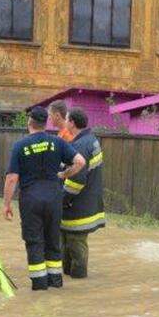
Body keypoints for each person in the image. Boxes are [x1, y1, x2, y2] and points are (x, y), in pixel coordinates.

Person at [2, 106, 85, 290]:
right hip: (54, 198)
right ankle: (55, 284)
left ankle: (40, 287)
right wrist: (64, 175)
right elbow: (80, 161)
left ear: (29, 122)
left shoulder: (20, 146)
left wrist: (6, 204)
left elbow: (12, 178)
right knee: (53, 240)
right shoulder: (57, 142)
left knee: (34, 242)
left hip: (30, 199)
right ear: (45, 123)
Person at [60, 108, 104, 278]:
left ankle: (78, 282)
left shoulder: (81, 146)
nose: (65, 123)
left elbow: (76, 181)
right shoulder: (90, 140)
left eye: (67, 120)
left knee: (75, 246)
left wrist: (61, 199)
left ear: (72, 123)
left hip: (77, 208)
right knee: (70, 244)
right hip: (87, 203)